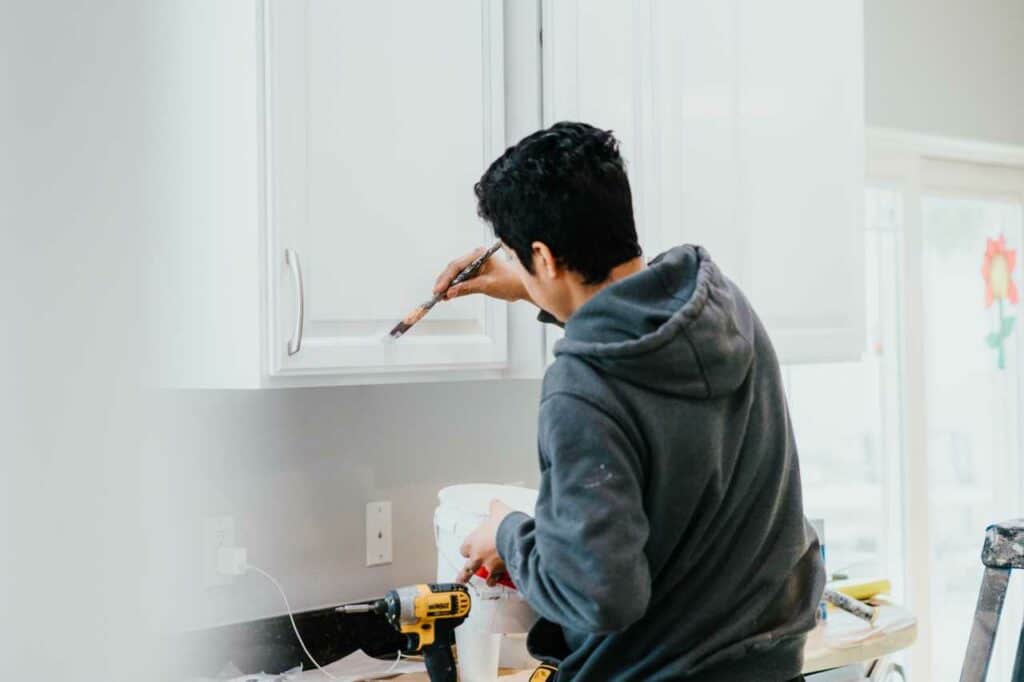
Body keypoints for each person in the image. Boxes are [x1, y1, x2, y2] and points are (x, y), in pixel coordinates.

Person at [437, 122, 823, 681]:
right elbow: (625, 319)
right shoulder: (723, 307)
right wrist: (533, 285)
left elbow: (599, 596)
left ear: (543, 257)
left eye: (522, 260)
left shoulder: (581, 390)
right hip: (771, 664)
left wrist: (508, 535)